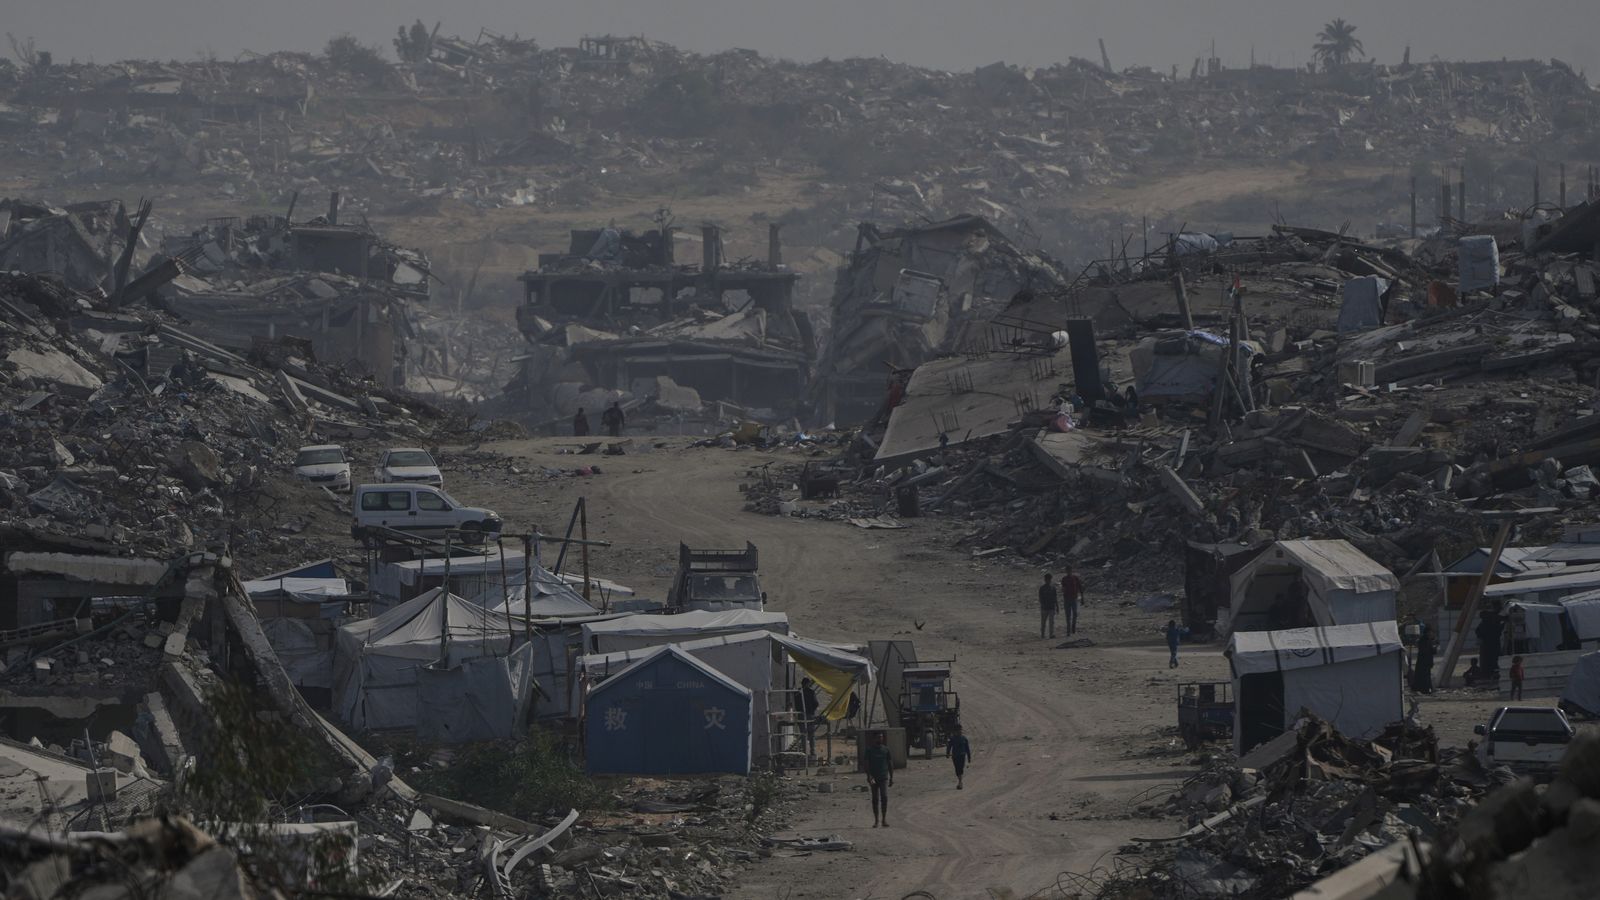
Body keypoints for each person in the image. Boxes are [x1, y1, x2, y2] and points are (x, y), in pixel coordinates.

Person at [864, 732, 893, 828]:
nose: (880, 739)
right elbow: (866, 763)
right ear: (874, 739)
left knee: (884, 797)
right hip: (873, 778)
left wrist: (891, 777)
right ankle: (876, 820)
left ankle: (884, 819)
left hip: (884, 777)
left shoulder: (886, 749)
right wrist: (869, 776)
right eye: (878, 737)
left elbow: (890, 763)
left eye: (881, 737)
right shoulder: (869, 750)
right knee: (875, 798)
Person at [946, 724, 973, 790]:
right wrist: (947, 753)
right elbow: (949, 746)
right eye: (958, 730)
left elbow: (967, 749)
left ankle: (960, 782)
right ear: (955, 731)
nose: (960, 731)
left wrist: (969, 757)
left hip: (962, 756)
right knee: (957, 769)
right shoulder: (952, 739)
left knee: (960, 768)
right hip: (955, 756)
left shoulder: (964, 739)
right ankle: (960, 781)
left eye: (960, 730)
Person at [800, 677, 820, 760]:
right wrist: (812, 710)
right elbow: (816, 703)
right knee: (811, 734)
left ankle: (804, 753)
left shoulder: (798, 692)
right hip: (810, 715)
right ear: (808, 683)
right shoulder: (811, 692)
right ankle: (812, 752)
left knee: (803, 734)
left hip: (801, 715)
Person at [1060, 567, 1084, 636]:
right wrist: (1063, 590)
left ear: (1071, 571)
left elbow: (1080, 588)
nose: (1068, 572)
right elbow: (1063, 588)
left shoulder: (1075, 578)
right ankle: (1068, 630)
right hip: (1067, 599)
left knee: (1075, 614)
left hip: (1074, 598)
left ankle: (1073, 627)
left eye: (1069, 570)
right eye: (1067, 570)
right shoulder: (1064, 579)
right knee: (1068, 615)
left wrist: (1082, 598)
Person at [1413, 625, 1436, 694]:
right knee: (1424, 677)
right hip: (1423, 662)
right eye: (1431, 632)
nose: (1432, 633)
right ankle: (1425, 689)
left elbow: (1432, 651)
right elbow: (1425, 651)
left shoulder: (1428, 640)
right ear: (1427, 632)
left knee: (1426, 676)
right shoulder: (1423, 640)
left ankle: (1428, 689)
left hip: (1426, 662)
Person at [1037, 571, 1058, 639]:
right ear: (1045, 580)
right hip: (1044, 608)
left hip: (1051, 607)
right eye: (1047, 579)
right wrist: (1043, 605)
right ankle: (1043, 634)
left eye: (1049, 579)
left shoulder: (1053, 588)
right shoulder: (1042, 588)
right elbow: (1040, 598)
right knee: (1043, 622)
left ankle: (1051, 634)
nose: (1048, 580)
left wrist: (1057, 606)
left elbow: (1055, 597)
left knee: (1051, 622)